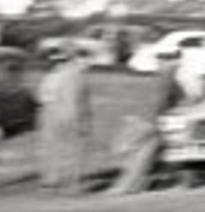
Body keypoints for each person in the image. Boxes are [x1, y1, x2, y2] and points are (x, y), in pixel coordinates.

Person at [106, 59, 185, 195]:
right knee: (139, 155)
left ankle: (129, 185)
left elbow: (165, 104)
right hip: (148, 123)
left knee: (138, 155)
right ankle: (132, 185)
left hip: (147, 123)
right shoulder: (167, 83)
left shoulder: (160, 82)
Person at [36, 47, 93, 193]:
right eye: (56, 61)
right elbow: (46, 98)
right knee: (60, 148)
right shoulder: (66, 76)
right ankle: (59, 181)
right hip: (57, 113)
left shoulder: (67, 76)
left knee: (62, 149)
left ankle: (61, 181)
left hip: (60, 113)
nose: (58, 64)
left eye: (61, 61)